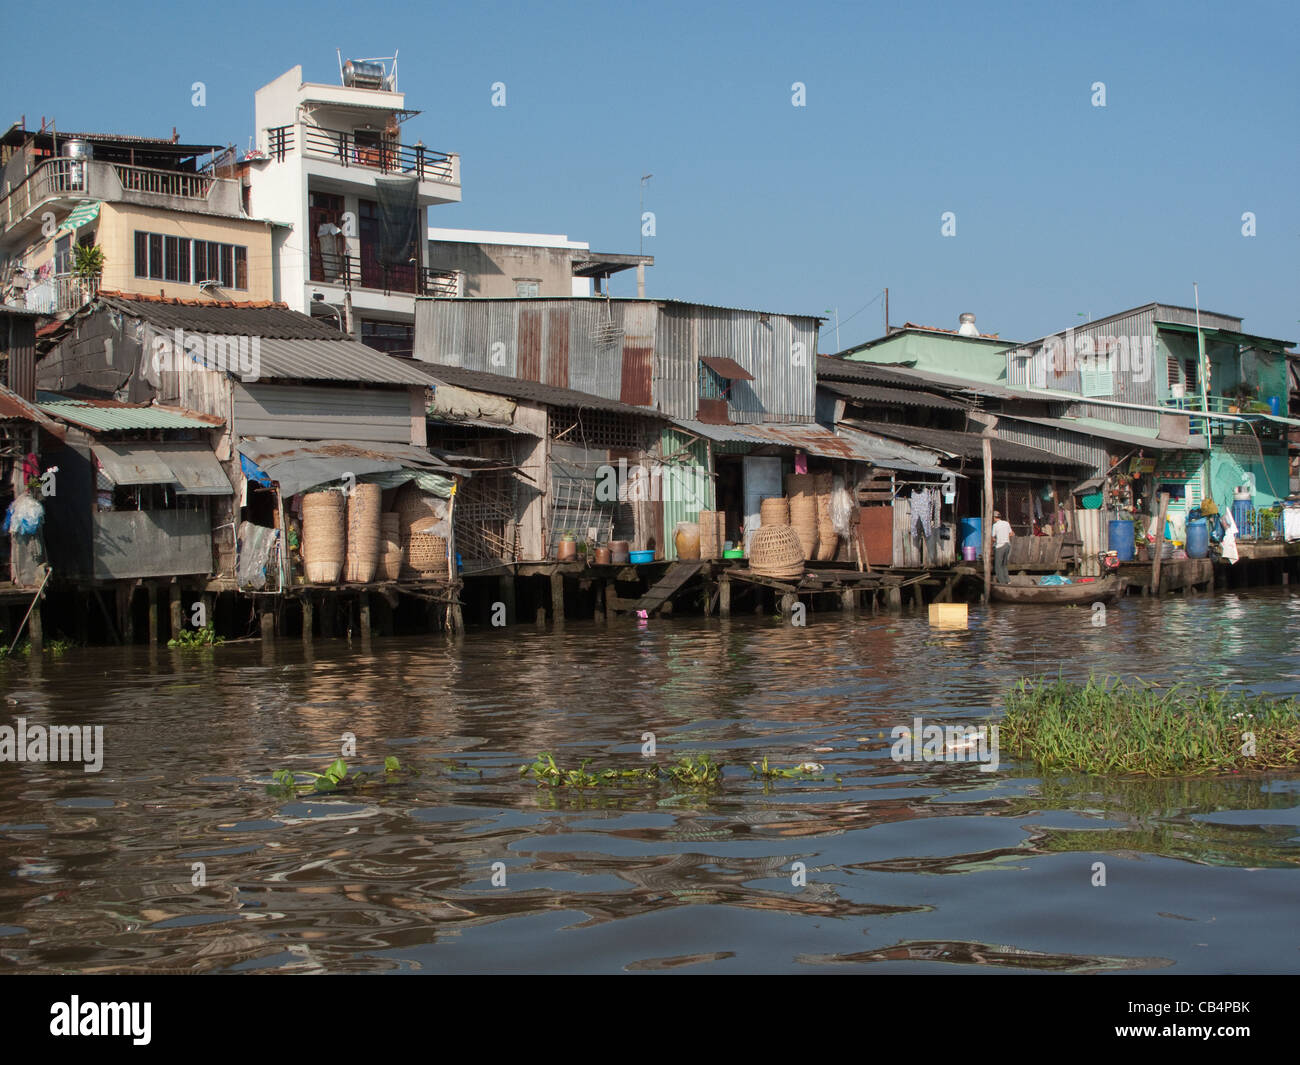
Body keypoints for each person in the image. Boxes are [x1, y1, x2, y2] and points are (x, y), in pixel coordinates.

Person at [992, 510, 1014, 584]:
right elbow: (1011, 534)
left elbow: (993, 537)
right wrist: (1004, 536)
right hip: (1007, 545)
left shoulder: (995, 525)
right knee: (1004, 565)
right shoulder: (1006, 523)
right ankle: (1008, 581)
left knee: (998, 566)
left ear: (994, 518)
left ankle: (1002, 583)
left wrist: (997, 539)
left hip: (1000, 546)